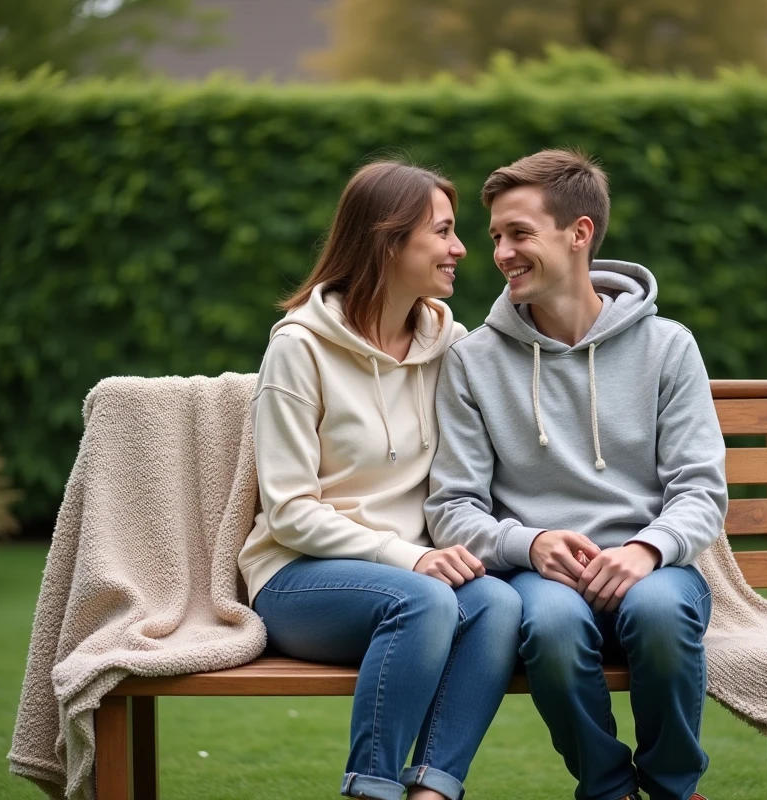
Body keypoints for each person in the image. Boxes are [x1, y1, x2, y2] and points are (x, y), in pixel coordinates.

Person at [426, 149, 726, 800]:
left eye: (520, 234)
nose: (501, 252)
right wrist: (527, 544)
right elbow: (452, 507)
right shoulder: (473, 361)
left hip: (654, 572)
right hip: (541, 579)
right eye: (496, 237)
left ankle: (674, 788)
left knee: (660, 613)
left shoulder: (668, 347)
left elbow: (700, 491)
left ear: (579, 233)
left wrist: (647, 549)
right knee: (555, 628)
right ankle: (608, 787)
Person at [240, 160, 522, 800]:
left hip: (419, 575)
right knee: (422, 599)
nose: (461, 249)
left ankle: (432, 791)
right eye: (444, 232)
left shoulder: (448, 342)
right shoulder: (299, 347)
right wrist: (412, 557)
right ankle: (370, 790)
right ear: (388, 240)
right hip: (301, 576)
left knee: (498, 604)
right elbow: (288, 511)